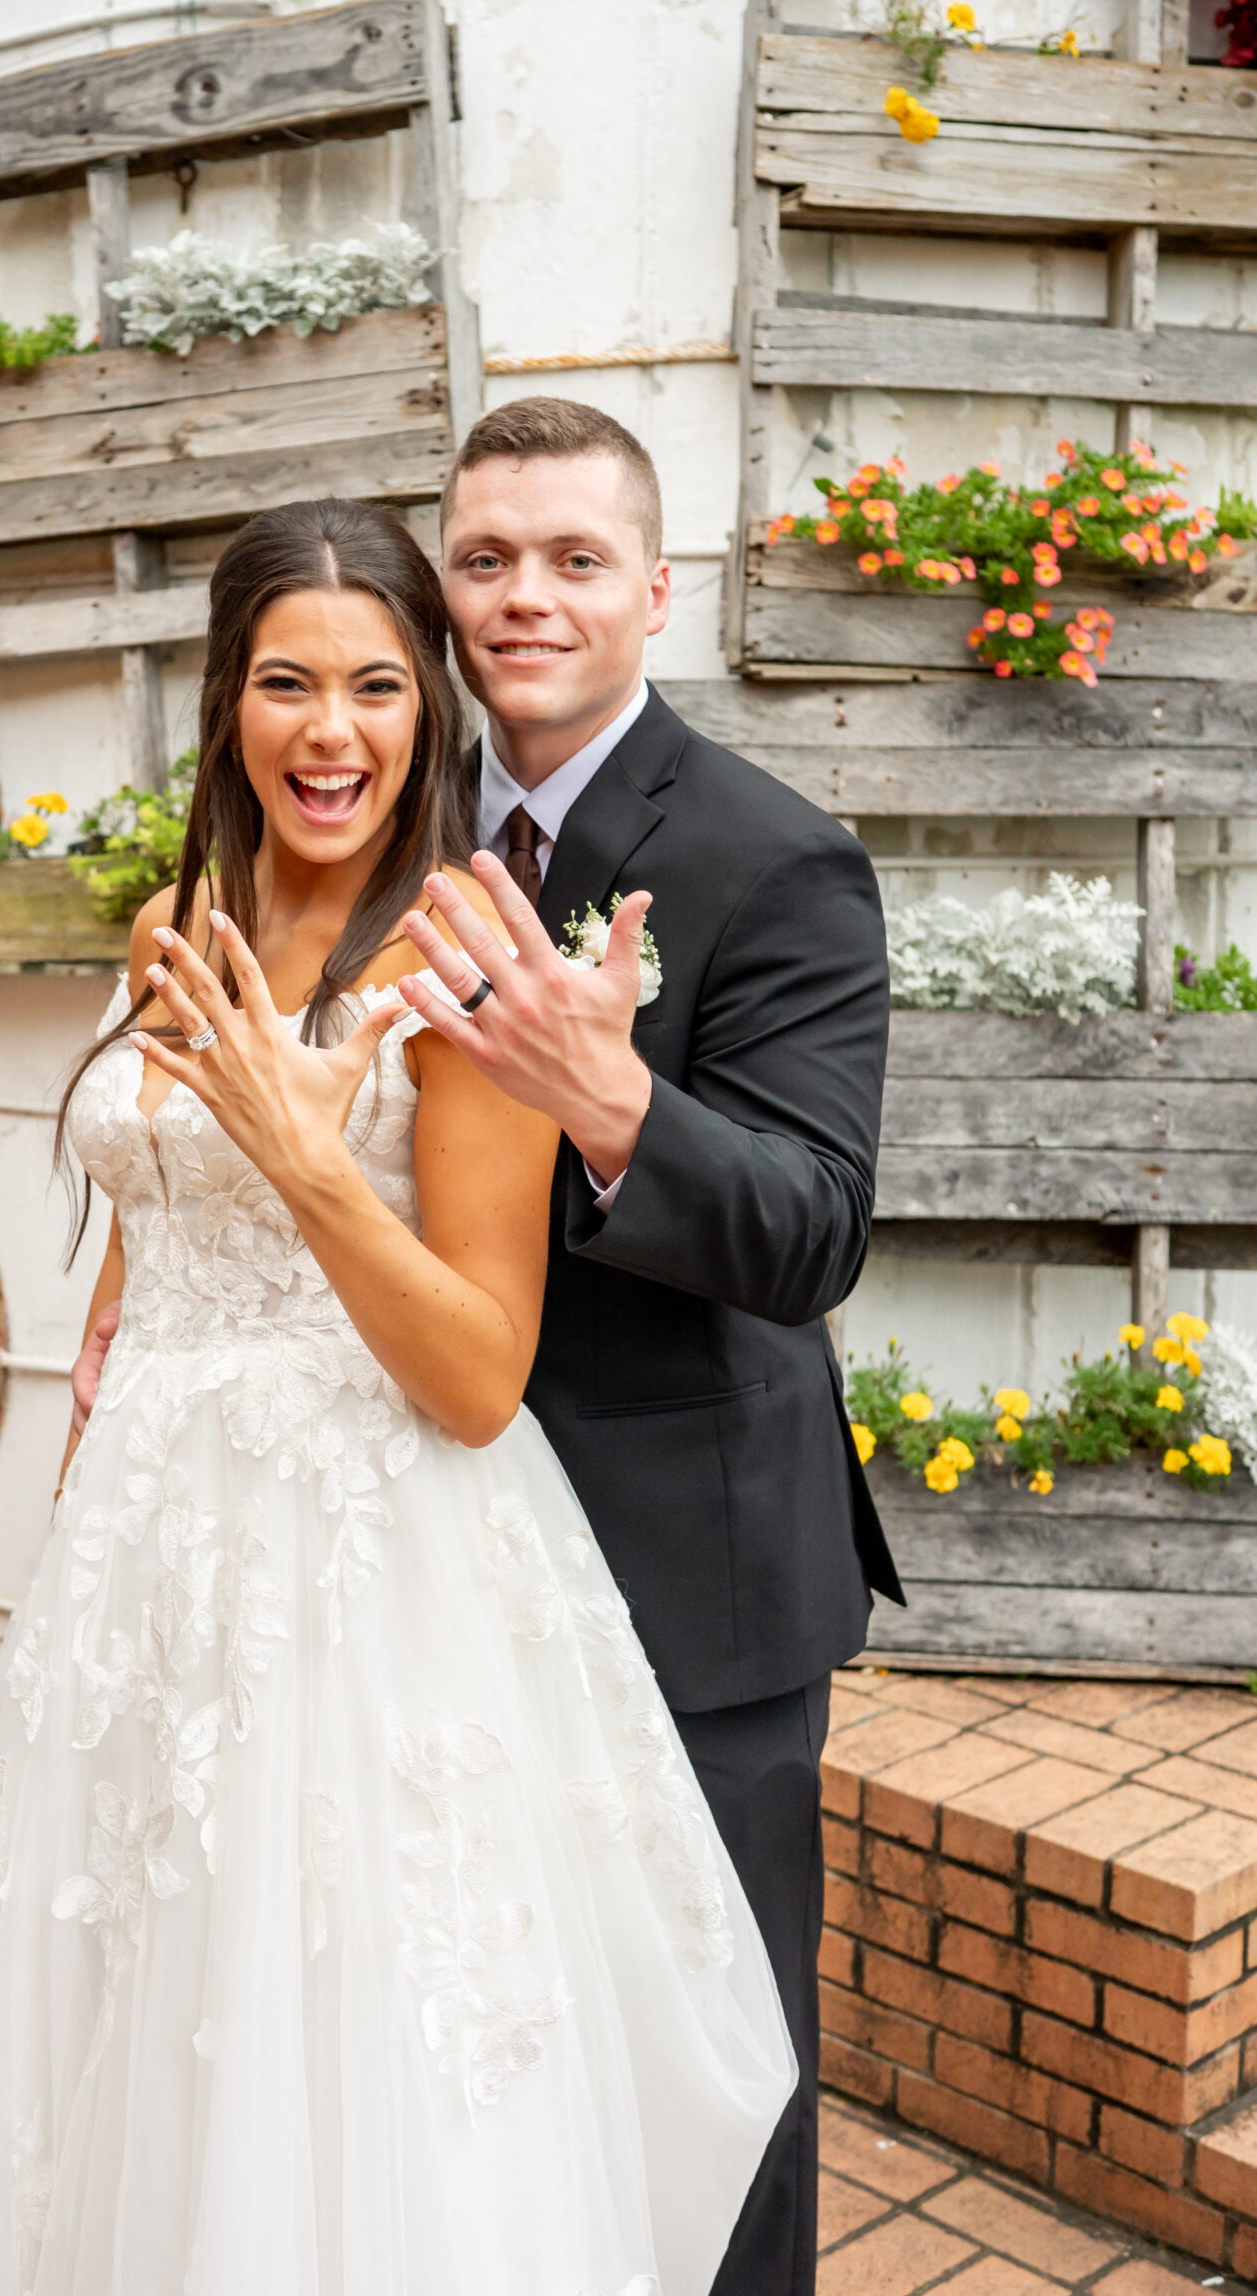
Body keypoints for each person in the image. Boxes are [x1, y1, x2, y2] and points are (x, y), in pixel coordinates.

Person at [0, 497, 794, 2296]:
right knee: (119, 2013)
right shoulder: (171, 925)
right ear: (228, 698)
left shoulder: (458, 979)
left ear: (425, 707)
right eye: (285, 683)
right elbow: (155, 1179)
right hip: (145, 1564)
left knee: (333, 2044)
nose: (328, 732)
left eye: (371, 687)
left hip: (366, 1581)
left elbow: (484, 1379)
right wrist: (129, 1321)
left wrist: (317, 1164)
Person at [391, 396, 901, 2296]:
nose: (524, 597)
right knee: (503, 2054)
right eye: (488, 558)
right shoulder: (398, 818)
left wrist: (614, 1106)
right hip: (448, 1560)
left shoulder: (780, 860)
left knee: (718, 2064)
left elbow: (812, 1232)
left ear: (656, 590)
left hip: (695, 1580)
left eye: (574, 558)